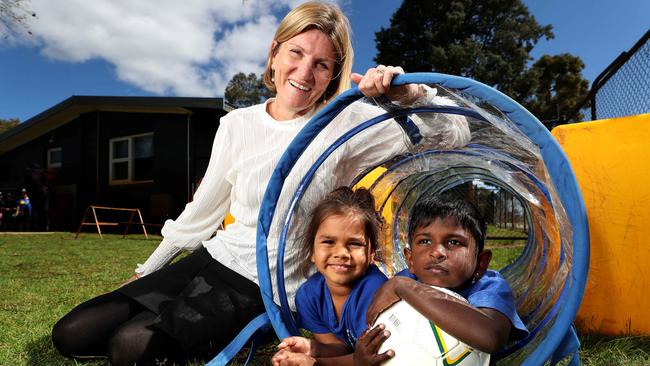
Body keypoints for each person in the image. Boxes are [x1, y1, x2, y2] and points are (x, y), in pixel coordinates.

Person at [52, 2, 470, 365]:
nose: (304, 72)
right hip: (213, 259)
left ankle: (254, 328)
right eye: (296, 53)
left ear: (333, 75)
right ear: (274, 54)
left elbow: (458, 130)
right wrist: (148, 271)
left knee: (130, 346)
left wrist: (410, 93)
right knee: (71, 333)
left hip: (266, 288)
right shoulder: (237, 124)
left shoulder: (346, 124)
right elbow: (202, 214)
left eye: (321, 64)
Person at [354, 195, 528, 365]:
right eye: (425, 241)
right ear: (410, 259)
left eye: (454, 242)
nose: (437, 252)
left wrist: (404, 287)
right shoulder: (407, 279)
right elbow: (374, 326)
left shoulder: (489, 286)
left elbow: (490, 337)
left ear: (481, 263)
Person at [272, 187, 386, 366]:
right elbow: (340, 347)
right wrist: (311, 348)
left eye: (355, 243)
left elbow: (374, 358)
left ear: (371, 254)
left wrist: (317, 363)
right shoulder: (309, 295)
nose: (341, 253)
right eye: (328, 242)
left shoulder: (375, 292)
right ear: (312, 251)